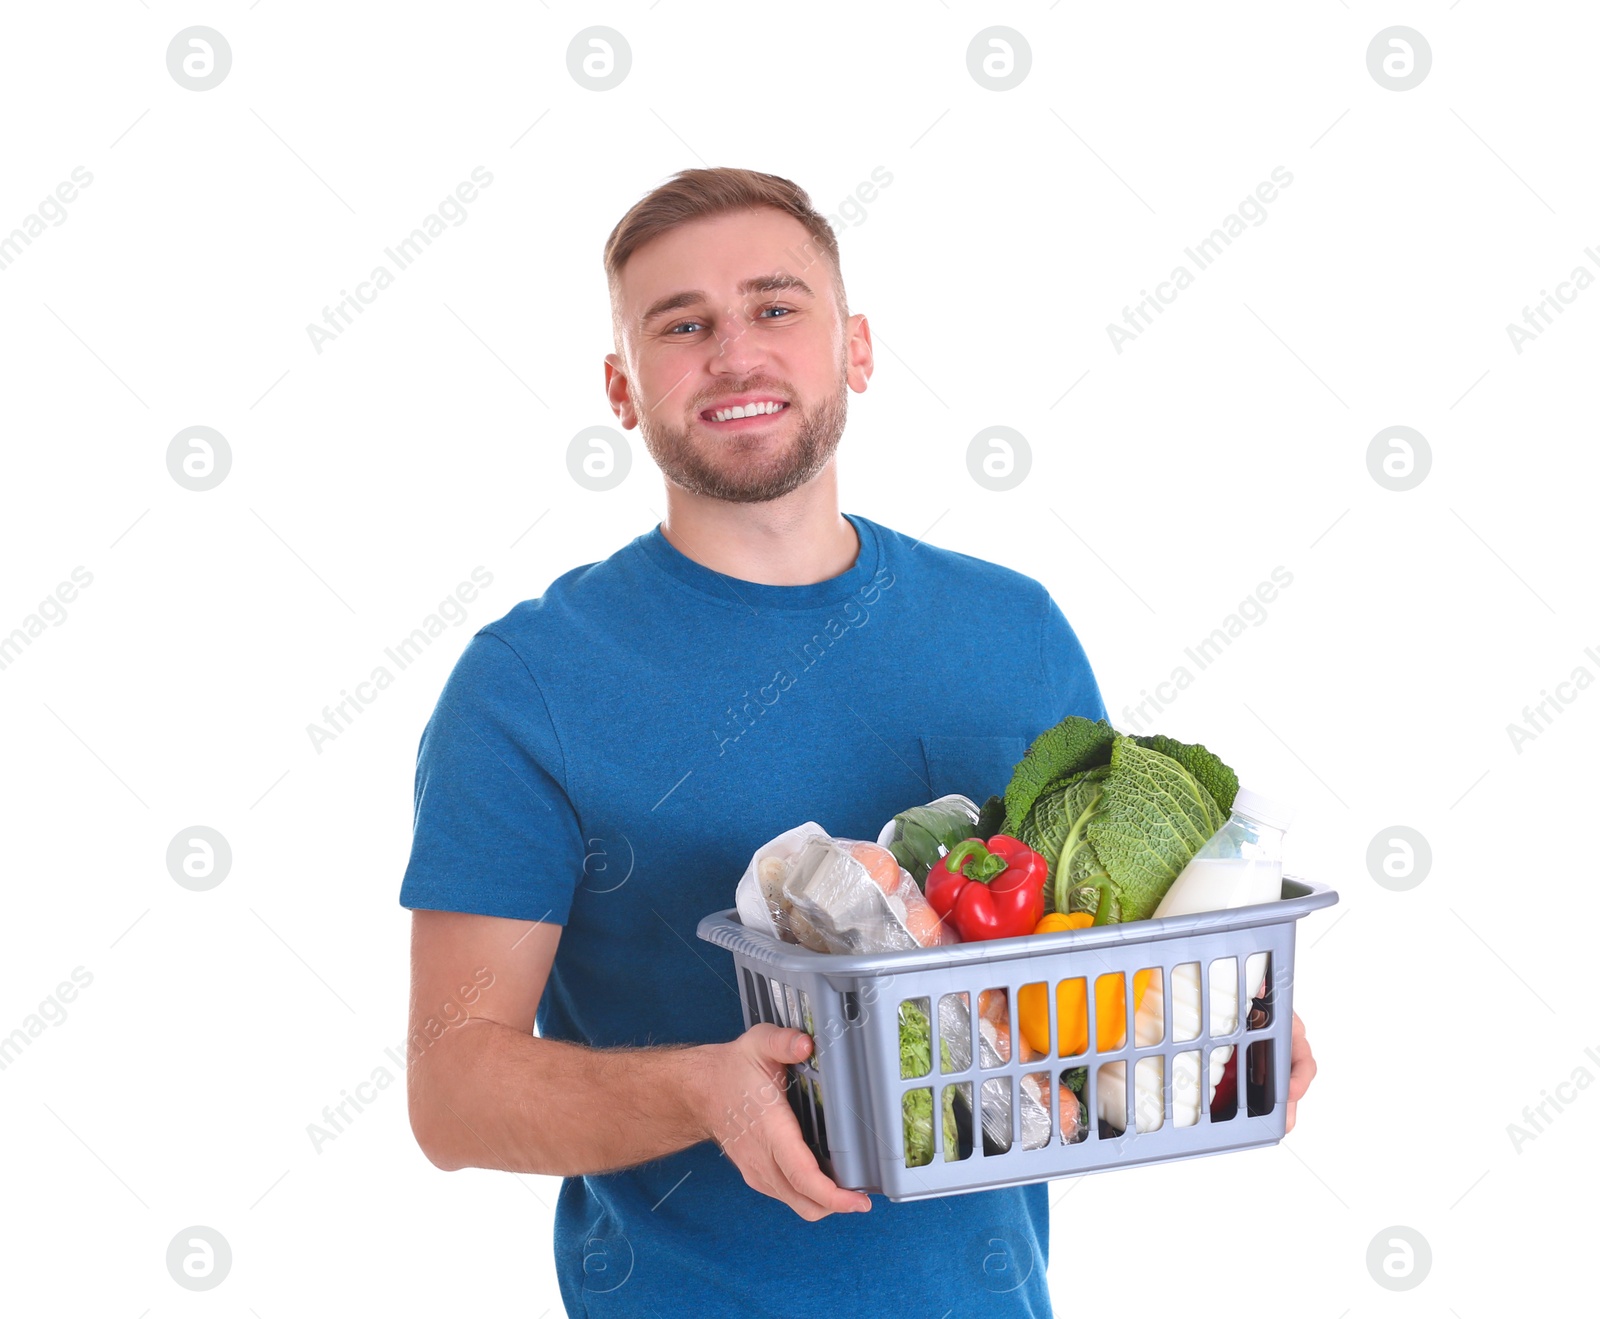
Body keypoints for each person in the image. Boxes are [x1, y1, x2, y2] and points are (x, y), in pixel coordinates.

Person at [398, 167, 1318, 1316]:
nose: (735, 353)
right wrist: (703, 1090)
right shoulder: (528, 682)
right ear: (621, 388)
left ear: (858, 349)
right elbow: (453, 1086)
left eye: (776, 308)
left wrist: (1218, 1030)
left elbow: (1092, 972)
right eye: (681, 325)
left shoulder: (1010, 629)